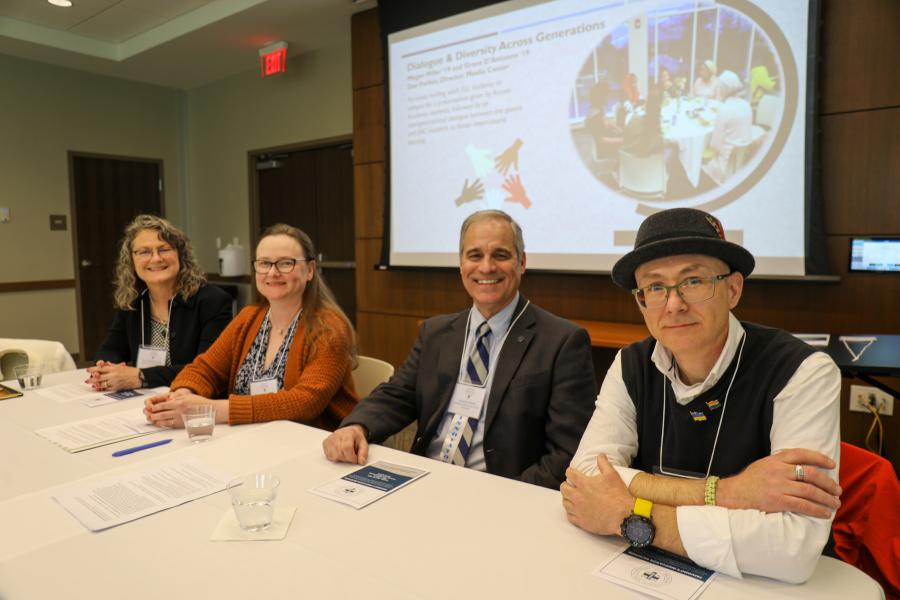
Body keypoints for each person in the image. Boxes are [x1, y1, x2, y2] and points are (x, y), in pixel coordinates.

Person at [561, 208, 842, 583]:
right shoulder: (631, 364)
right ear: (641, 301)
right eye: (655, 287)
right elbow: (587, 478)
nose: (674, 304)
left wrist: (629, 515)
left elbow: (793, 549)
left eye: (693, 281)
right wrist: (726, 492)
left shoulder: (802, 372)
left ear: (733, 289)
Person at [322, 210, 597, 489]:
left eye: (501, 255)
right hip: (425, 479)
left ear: (522, 263)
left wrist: (508, 496)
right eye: (475, 255)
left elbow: (567, 452)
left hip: (502, 490)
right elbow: (397, 395)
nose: (486, 267)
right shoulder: (436, 332)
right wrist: (357, 426)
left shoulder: (562, 342)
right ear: (461, 264)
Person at [144, 224, 358, 430]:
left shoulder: (329, 329)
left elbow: (304, 402)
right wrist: (183, 395)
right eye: (264, 263)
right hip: (250, 437)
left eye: (285, 263)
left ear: (310, 270)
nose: (272, 273)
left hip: (313, 445)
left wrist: (207, 409)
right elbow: (205, 369)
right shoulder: (249, 318)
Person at [88, 215, 232, 392]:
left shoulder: (212, 301)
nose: (156, 259)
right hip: (144, 397)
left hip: (193, 399)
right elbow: (111, 349)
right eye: (144, 252)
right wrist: (104, 367)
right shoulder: (133, 301)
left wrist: (141, 376)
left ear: (180, 255)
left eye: (164, 249)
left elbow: (206, 369)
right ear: (131, 261)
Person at [706, 70, 753, 182]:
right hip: (744, 163)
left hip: (726, 167)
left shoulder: (724, 109)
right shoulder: (746, 105)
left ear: (723, 89)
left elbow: (715, 146)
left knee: (705, 160)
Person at [621, 85, 664, 158]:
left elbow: (625, 139)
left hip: (627, 166)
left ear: (646, 105)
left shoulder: (633, 120)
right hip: (648, 168)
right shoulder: (658, 138)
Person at [585, 82, 623, 162]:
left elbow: (605, 121)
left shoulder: (597, 108)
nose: (609, 97)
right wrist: (621, 140)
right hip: (603, 149)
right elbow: (601, 140)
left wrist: (618, 128)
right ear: (601, 97)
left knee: (626, 135)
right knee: (630, 145)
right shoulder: (596, 116)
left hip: (605, 139)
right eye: (607, 95)